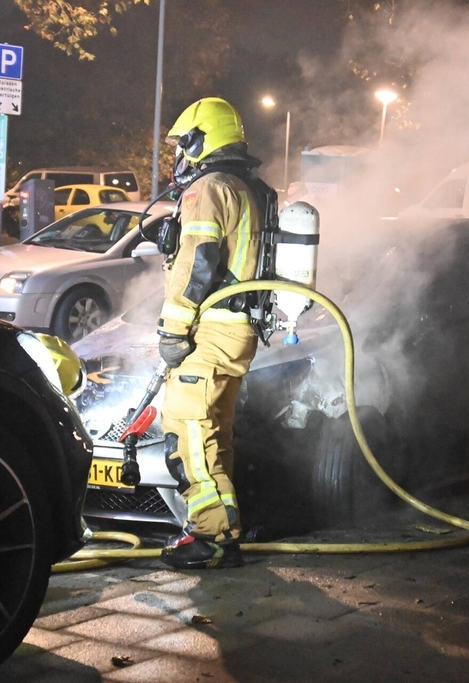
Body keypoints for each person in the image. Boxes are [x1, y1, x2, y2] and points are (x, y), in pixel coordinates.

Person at [157, 97, 269, 569]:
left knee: (187, 428)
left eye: (183, 143)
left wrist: (173, 327)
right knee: (213, 433)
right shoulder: (248, 187)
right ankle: (221, 527)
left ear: (202, 139)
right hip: (237, 330)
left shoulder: (209, 187)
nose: (180, 154)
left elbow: (197, 262)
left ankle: (213, 537)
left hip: (212, 330)